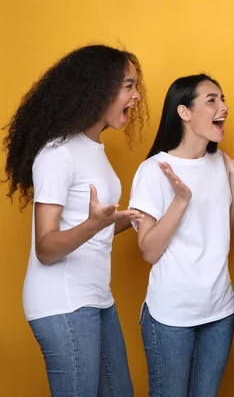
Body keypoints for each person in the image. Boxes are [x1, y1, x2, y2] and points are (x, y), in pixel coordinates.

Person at [3, 44, 148, 396]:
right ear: (99, 89)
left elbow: (97, 228)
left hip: (95, 296)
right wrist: (94, 224)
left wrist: (139, 214)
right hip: (63, 302)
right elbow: (46, 248)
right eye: (128, 86)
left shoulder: (92, 148)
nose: (136, 95)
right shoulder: (58, 153)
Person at [129, 74, 234, 396]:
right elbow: (148, 251)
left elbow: (221, 232)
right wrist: (181, 201)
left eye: (223, 99)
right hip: (171, 314)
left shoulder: (219, 164)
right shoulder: (154, 170)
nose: (223, 106)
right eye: (212, 100)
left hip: (219, 310)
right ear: (184, 112)